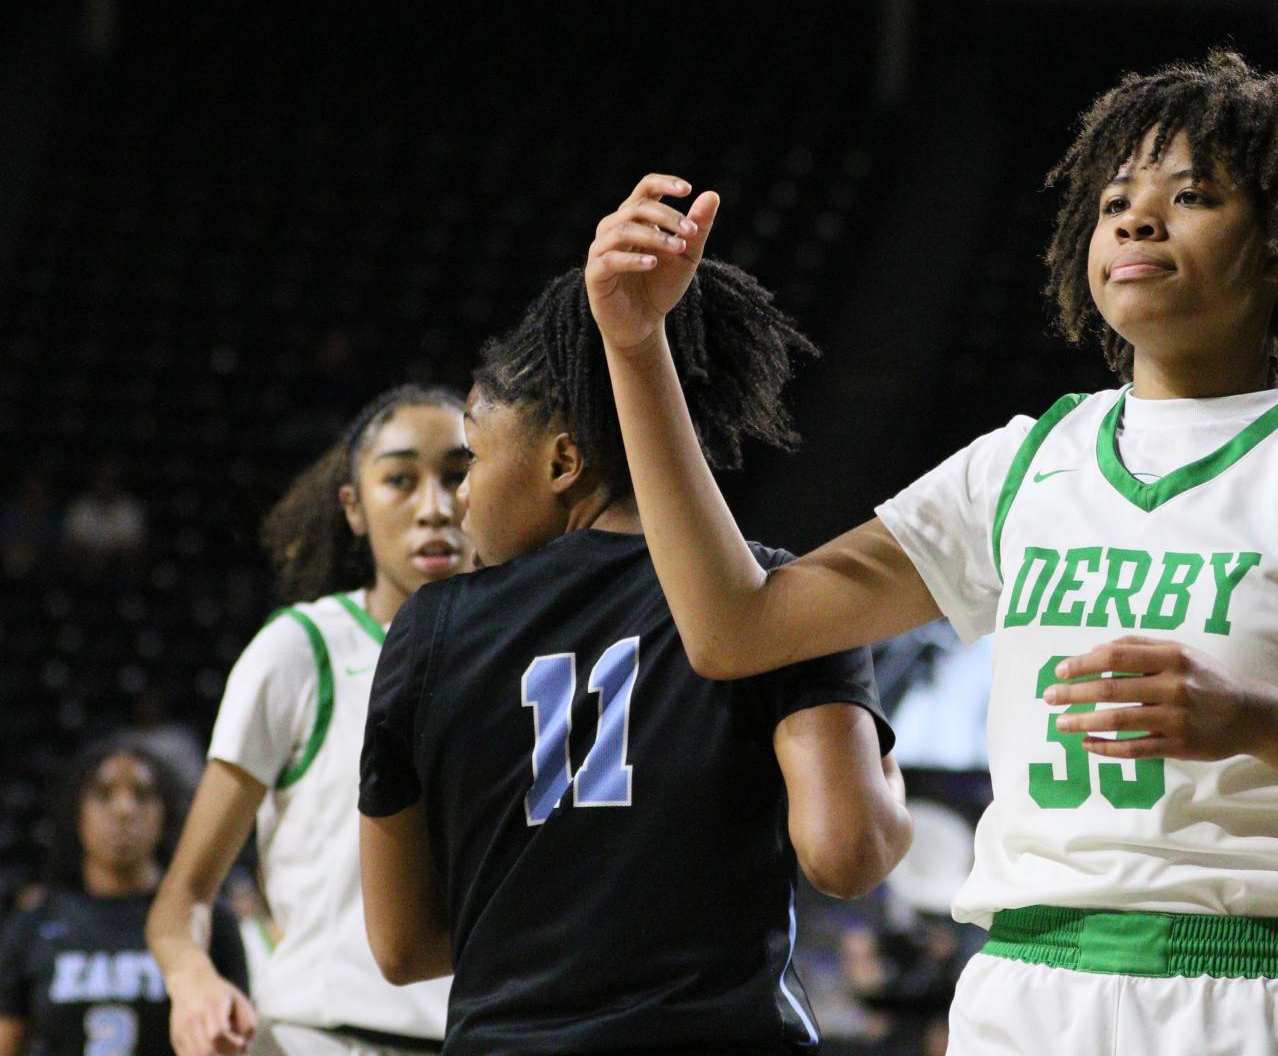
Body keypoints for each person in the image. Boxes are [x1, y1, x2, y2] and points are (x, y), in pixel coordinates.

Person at [586, 49, 1278, 1055]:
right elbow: (736, 625)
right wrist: (638, 350)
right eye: (1116, 201)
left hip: (1262, 982)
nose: (1138, 221)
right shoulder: (1020, 464)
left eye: (1192, 196)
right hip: (1027, 982)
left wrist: (1257, 719)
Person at [355, 265, 909, 1055]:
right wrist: (887, 776)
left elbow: (403, 947)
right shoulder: (778, 598)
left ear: (563, 461)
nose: (462, 499)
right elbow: (846, 853)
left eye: (472, 458)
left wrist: (553, 926)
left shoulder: (429, 629)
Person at [148, 387, 470, 1056]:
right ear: (353, 507)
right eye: (400, 481)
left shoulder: (537, 656)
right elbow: (181, 903)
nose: (434, 508)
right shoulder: (302, 649)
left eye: (458, 475)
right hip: (319, 1038)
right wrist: (195, 982)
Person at [0, 738, 248, 1056]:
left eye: (142, 796)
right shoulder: (35, 922)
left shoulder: (210, 921)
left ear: (165, 816)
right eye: (104, 795)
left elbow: (235, 1041)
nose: (124, 810)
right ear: (78, 814)